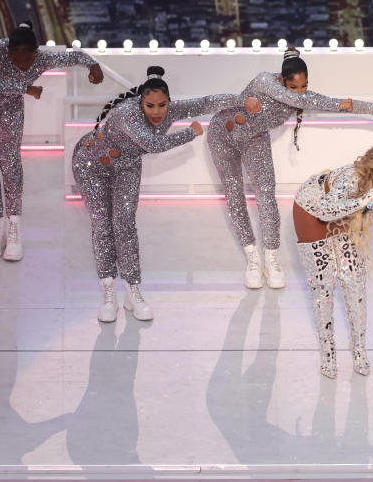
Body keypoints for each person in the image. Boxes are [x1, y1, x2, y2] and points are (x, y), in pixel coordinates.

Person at [207, 47, 373, 290]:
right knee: (234, 194)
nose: (299, 92)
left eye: (304, 86)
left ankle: (272, 257)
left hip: (255, 139)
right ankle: (252, 257)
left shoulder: (301, 95)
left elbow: (336, 104)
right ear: (282, 79)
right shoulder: (265, 80)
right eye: (293, 86)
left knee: (266, 196)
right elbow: (303, 101)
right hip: (223, 134)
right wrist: (312, 99)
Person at [72, 66, 245, 323]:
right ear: (140, 101)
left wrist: (243, 100)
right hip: (91, 165)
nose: (156, 112)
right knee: (102, 224)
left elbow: (207, 102)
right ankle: (108, 293)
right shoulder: (125, 114)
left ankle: (133, 292)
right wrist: (191, 133)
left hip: (127, 167)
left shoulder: (170, 111)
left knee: (125, 224)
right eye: (150, 105)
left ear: (168, 102)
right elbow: (152, 144)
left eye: (162, 105)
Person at [0, 21, 104, 261]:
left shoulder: (42, 59)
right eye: (17, 59)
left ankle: (14, 227)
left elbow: (73, 56)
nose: (22, 64)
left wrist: (93, 64)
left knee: (10, 162)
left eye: (27, 60)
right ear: (9, 52)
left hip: (8, 106)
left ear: (36, 54)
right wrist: (26, 87)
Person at [293, 142, 373, 378]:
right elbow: (326, 211)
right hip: (312, 209)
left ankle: (360, 352)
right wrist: (365, 200)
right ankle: (328, 355)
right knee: (324, 284)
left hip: (346, 213)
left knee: (354, 280)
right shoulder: (353, 177)